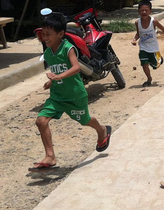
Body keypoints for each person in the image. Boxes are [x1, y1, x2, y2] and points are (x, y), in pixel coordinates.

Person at [32, 12, 111, 171]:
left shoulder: (68, 48)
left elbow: (75, 68)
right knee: (41, 121)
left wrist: (58, 76)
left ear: (60, 34)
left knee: (84, 120)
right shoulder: (48, 53)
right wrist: (51, 81)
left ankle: (102, 130)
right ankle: (50, 156)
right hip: (57, 96)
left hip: (75, 95)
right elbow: (57, 70)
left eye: (48, 34)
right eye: (43, 34)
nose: (45, 38)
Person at [132, 0, 164, 87]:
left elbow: (163, 29)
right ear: (139, 11)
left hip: (153, 47)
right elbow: (138, 33)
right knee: (144, 63)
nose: (144, 12)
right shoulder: (137, 22)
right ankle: (149, 79)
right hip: (143, 46)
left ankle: (159, 60)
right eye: (142, 10)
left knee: (155, 65)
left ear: (150, 11)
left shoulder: (154, 21)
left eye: (146, 10)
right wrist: (134, 39)